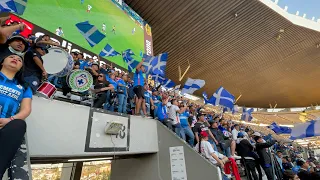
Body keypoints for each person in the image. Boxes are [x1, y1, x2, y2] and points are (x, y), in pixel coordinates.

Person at [0, 53, 33, 179]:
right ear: (2, 62)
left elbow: (26, 109)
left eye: (19, 60)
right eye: (11, 57)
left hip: (5, 126)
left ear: (20, 67)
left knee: (20, 124)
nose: (15, 59)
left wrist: (10, 120)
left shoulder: (24, 87)